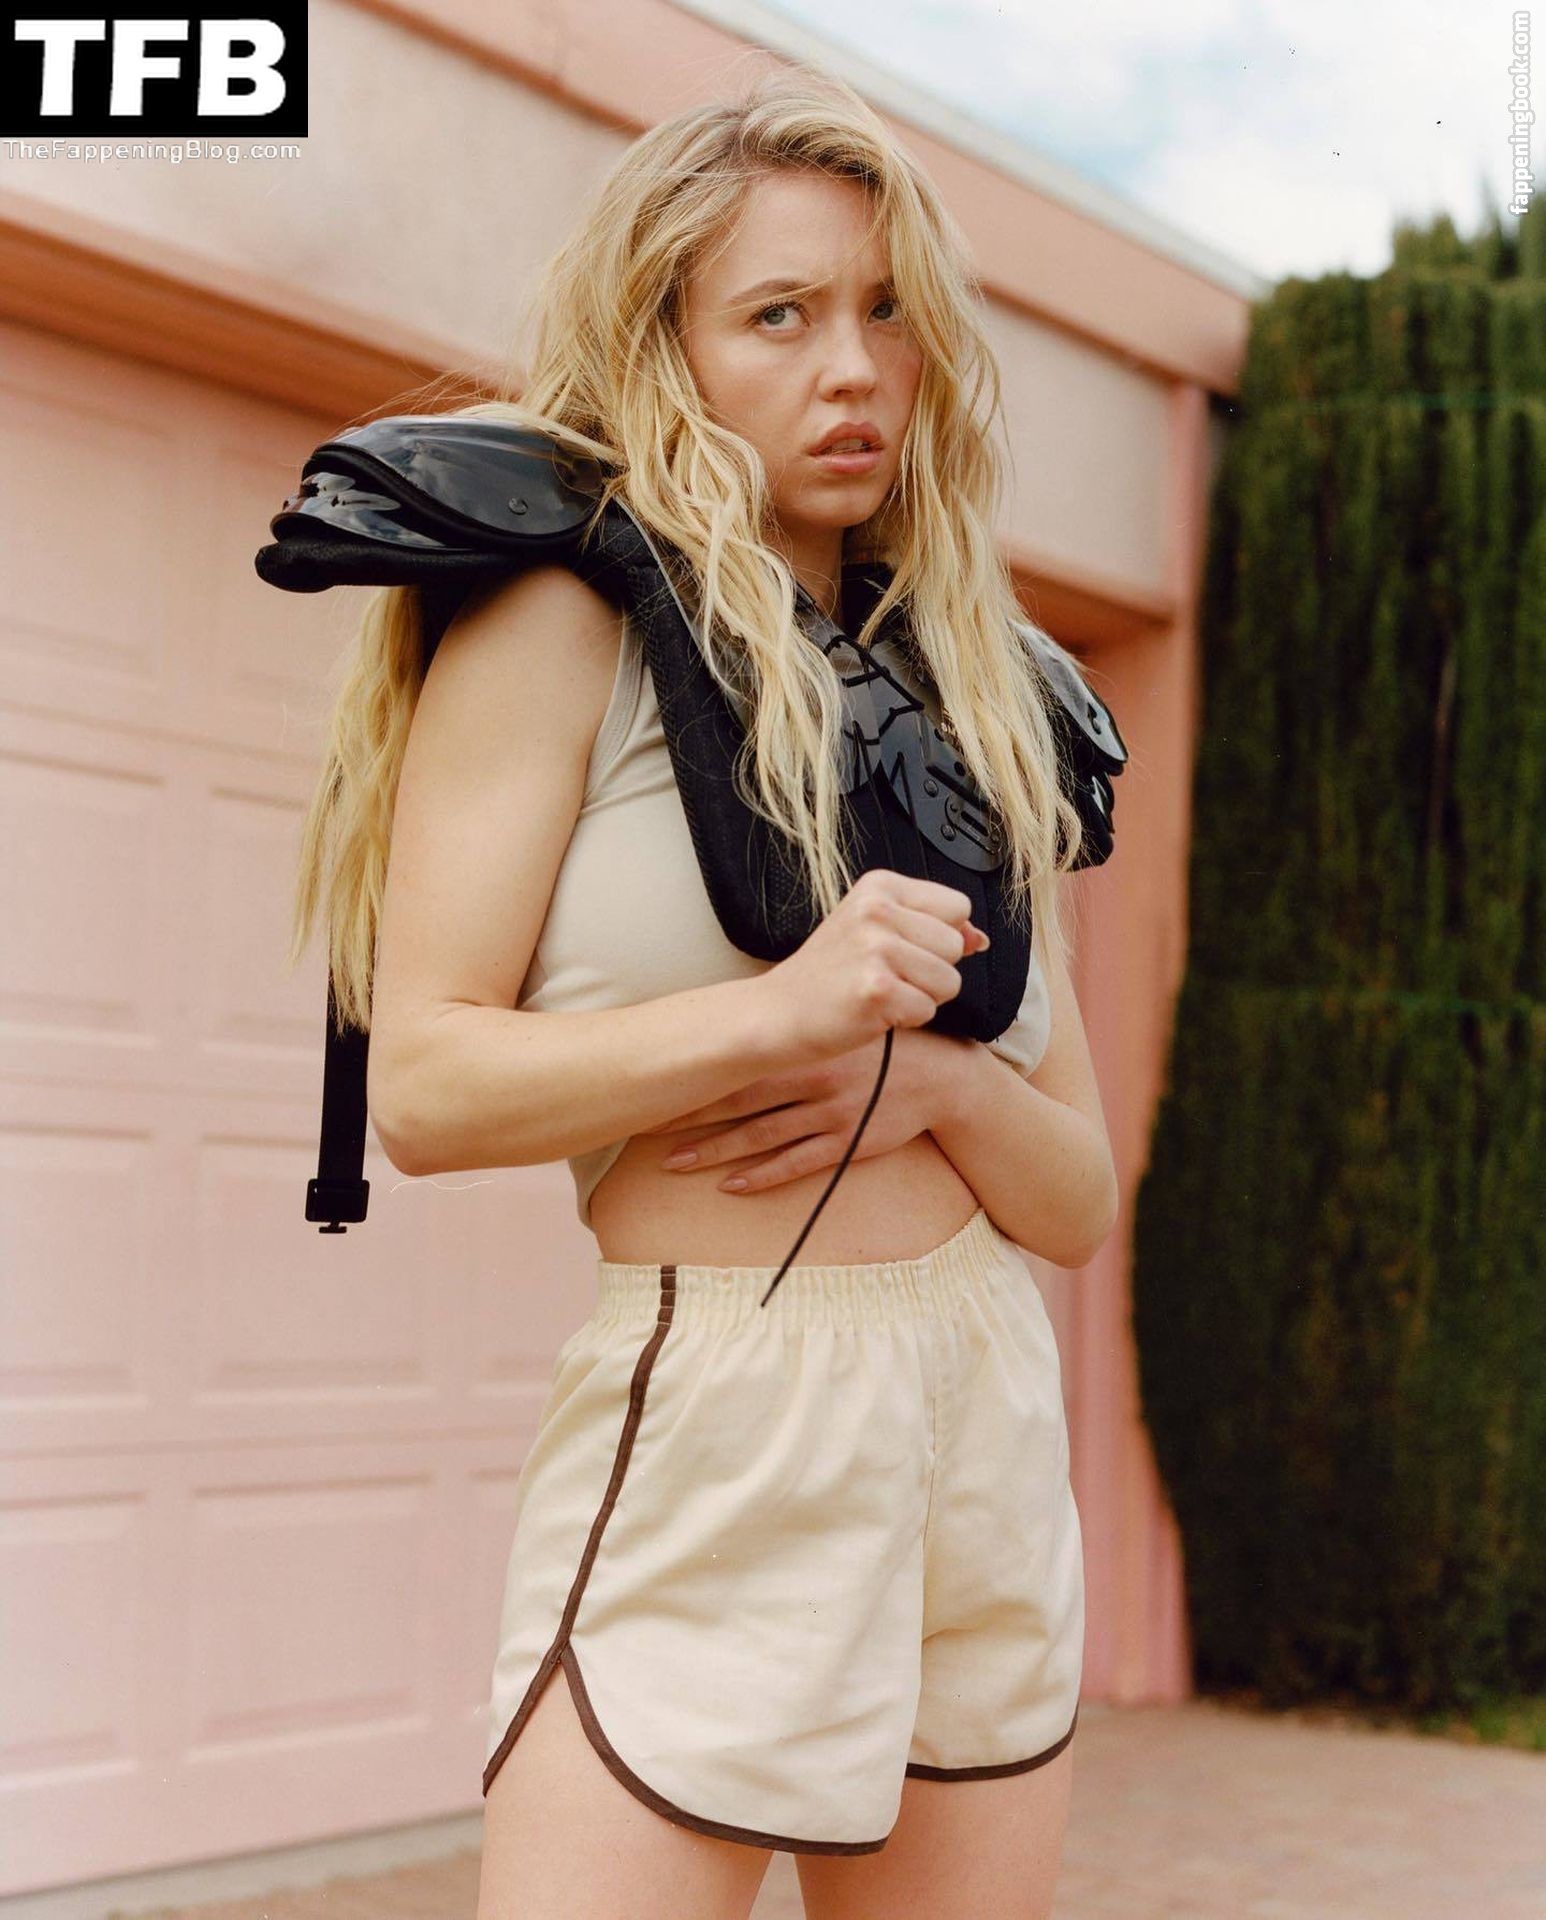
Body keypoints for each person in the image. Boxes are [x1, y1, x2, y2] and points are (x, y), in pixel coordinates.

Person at [286, 62, 1119, 1920]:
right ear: (665, 347)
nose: (855, 370)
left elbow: (1077, 1200)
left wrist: (941, 1089)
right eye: (780, 315)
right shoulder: (558, 620)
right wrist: (785, 1011)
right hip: (726, 1393)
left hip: (981, 1401)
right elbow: (423, 1088)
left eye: (889, 311)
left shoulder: (984, 693)